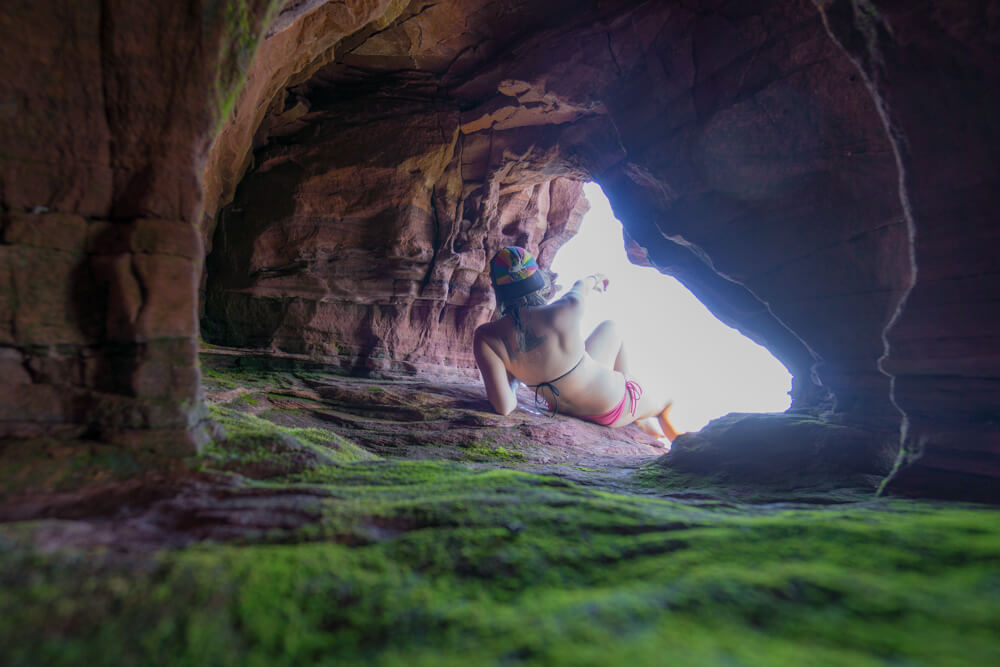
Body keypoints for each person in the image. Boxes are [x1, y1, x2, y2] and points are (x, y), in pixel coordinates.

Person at [473, 246, 679, 443]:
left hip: (562, 406)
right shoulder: (566, 308)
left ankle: (634, 410)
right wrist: (597, 278)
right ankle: (641, 413)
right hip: (613, 406)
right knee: (664, 404)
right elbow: (581, 286)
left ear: (497, 288)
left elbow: (505, 406)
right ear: (537, 280)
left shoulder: (486, 337)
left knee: (610, 328)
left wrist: (515, 378)